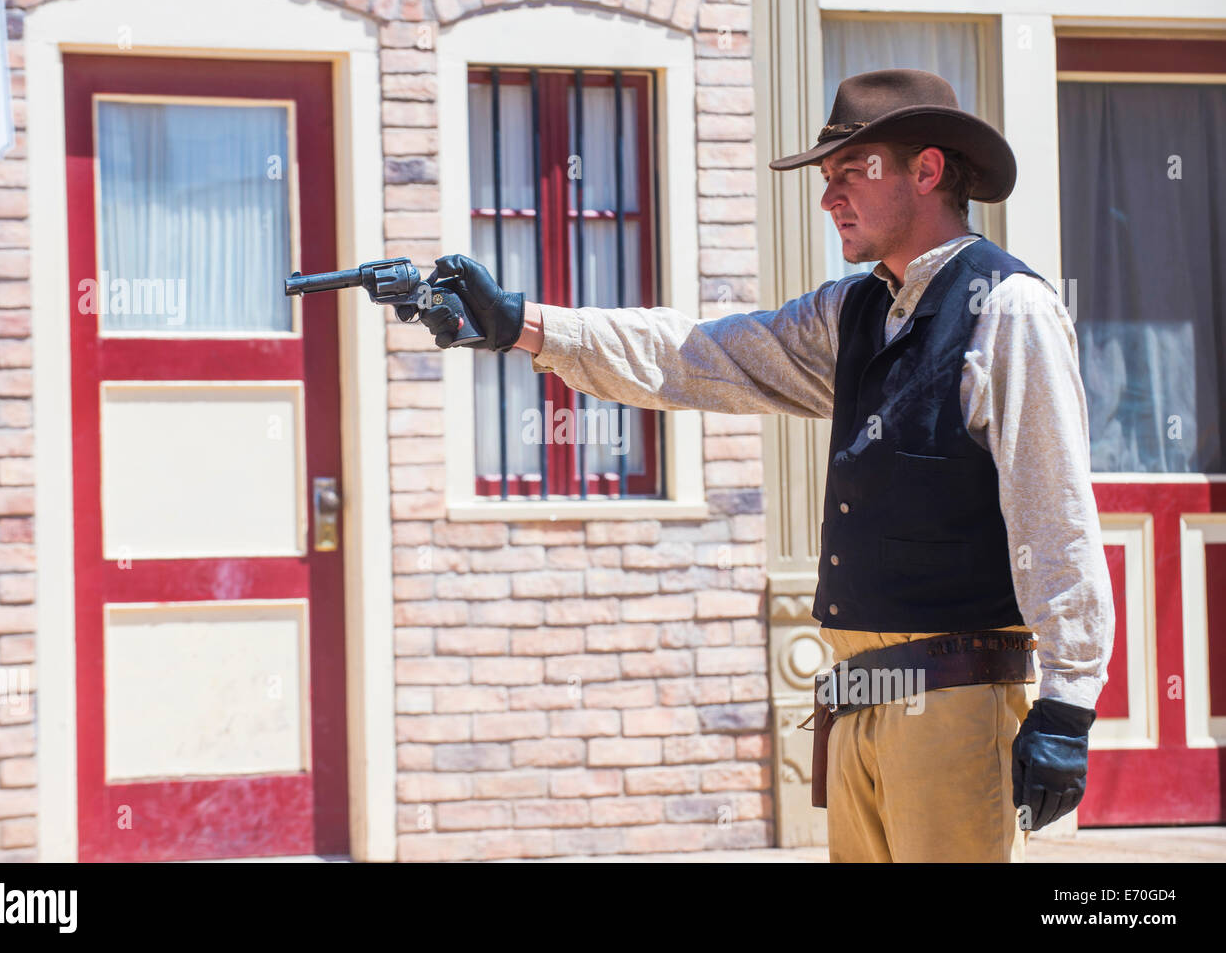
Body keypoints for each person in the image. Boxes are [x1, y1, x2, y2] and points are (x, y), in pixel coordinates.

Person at [413, 68, 1115, 863]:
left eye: (853, 171)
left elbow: (1053, 511)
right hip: (859, 698)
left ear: (927, 171)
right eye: (826, 178)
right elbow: (697, 353)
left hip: (955, 701)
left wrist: (1068, 701)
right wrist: (525, 324)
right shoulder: (853, 313)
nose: (830, 199)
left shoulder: (1008, 308)